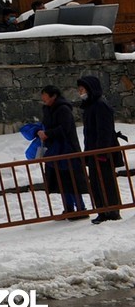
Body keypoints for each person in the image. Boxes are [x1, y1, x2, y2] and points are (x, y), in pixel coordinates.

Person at [37, 84, 89, 219]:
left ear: (53, 96)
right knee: (61, 180)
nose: (44, 99)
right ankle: (69, 208)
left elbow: (65, 128)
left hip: (67, 149)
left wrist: (47, 133)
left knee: (71, 179)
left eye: (45, 97)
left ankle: (80, 208)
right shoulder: (48, 109)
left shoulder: (63, 109)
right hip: (55, 150)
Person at [77, 75, 124, 224]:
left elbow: (104, 131)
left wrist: (101, 152)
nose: (80, 92)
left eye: (82, 89)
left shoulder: (100, 105)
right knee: (96, 183)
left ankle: (111, 211)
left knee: (106, 182)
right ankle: (102, 211)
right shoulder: (91, 106)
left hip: (102, 153)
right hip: (93, 152)